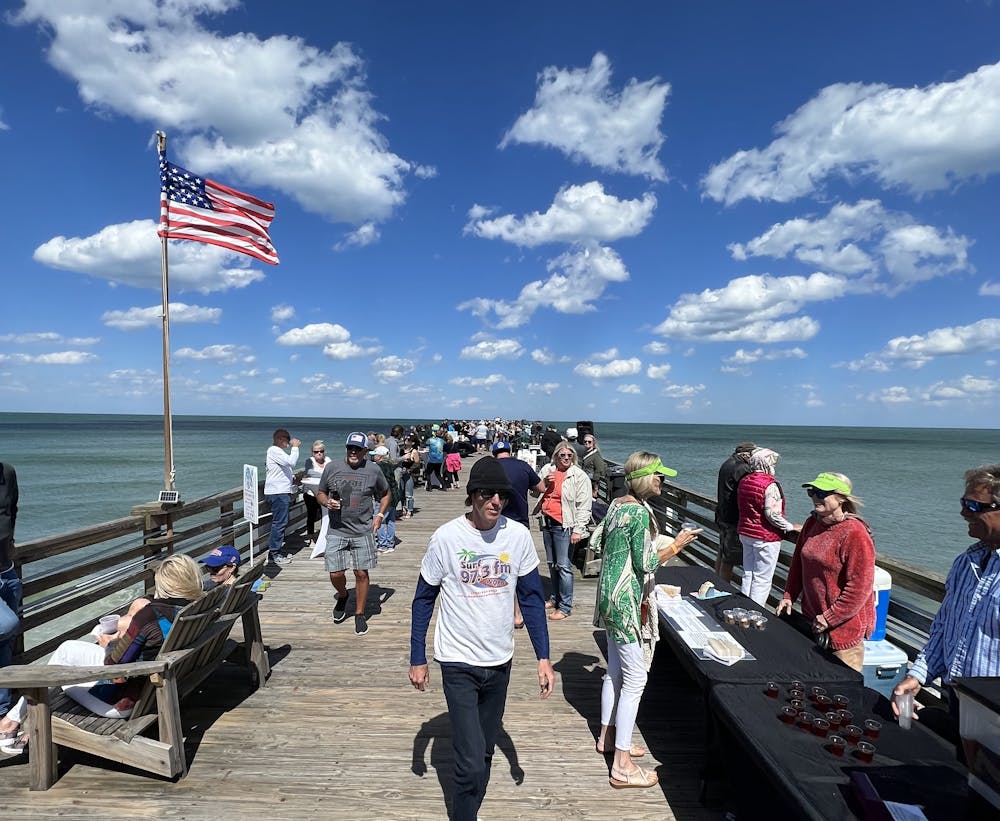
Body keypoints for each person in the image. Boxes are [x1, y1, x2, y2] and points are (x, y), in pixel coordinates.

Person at [408, 457, 554, 820]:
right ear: (472, 496)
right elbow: (423, 598)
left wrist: (543, 657)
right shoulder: (447, 537)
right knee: (470, 761)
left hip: (500, 661)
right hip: (457, 661)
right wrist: (417, 656)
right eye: (487, 494)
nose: (495, 502)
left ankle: (468, 804)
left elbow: (533, 599)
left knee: (485, 751)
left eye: (501, 495)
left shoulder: (518, 536)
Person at [0, 554, 204, 754]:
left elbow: (115, 668)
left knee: (59, 672)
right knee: (67, 650)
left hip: (121, 702)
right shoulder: (195, 609)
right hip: (154, 687)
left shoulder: (150, 615)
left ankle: (12, 722)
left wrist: (110, 642)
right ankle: (13, 719)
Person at [594, 451, 701, 788]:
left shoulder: (616, 504)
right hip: (626, 600)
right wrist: (677, 546)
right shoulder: (639, 513)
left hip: (607, 595)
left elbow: (598, 541)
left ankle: (608, 738)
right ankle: (621, 766)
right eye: (659, 476)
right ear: (644, 477)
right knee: (636, 679)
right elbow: (647, 565)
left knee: (614, 671)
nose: (662, 482)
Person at [892, 464, 1000, 728]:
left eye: (974, 506)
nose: (963, 512)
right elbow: (945, 628)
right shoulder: (966, 562)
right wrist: (918, 675)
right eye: (964, 502)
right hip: (959, 701)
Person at [777, 473, 875, 672]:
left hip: (843, 632)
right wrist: (789, 595)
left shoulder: (855, 533)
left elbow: (859, 588)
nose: (815, 497)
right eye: (812, 491)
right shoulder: (812, 524)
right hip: (812, 623)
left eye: (822, 492)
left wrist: (829, 618)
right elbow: (798, 564)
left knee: (841, 694)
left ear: (841, 498)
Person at [315, 432, 391, 636]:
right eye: (350, 448)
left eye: (358, 449)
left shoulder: (374, 470)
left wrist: (380, 516)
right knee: (335, 573)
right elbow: (320, 492)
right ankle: (342, 595)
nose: (353, 452)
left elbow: (385, 493)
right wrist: (325, 501)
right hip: (337, 529)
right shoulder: (332, 468)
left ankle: (359, 613)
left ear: (366, 451)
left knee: (361, 573)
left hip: (363, 530)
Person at [493, 440, 546, 629]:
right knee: (521, 568)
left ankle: (511, 611)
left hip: (496, 522)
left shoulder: (491, 467)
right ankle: (522, 611)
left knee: (502, 566)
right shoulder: (523, 466)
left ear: (494, 454)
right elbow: (541, 488)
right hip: (520, 524)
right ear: (510, 451)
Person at [536, 442, 592, 620]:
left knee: (564, 566)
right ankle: (554, 598)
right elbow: (533, 492)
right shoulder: (547, 469)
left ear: (574, 457)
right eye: (562, 455)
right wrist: (544, 483)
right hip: (547, 521)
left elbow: (584, 505)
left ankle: (565, 606)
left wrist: (578, 530)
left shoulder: (579, 476)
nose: (566, 458)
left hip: (565, 525)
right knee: (552, 563)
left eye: (569, 455)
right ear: (556, 457)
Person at [736, 447, 799, 605]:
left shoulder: (745, 480)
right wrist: (790, 526)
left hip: (745, 532)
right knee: (762, 579)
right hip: (765, 536)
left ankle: (743, 606)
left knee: (748, 574)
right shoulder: (769, 485)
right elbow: (772, 514)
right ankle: (755, 611)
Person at [714, 442, 756, 584]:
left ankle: (716, 583)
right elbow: (748, 490)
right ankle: (722, 589)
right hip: (732, 518)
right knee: (729, 559)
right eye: (752, 456)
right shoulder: (742, 468)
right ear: (745, 455)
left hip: (722, 515)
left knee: (722, 553)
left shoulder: (727, 463)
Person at [0, 461, 20, 729]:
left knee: (6, 641)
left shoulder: (7, 472)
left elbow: (12, 509)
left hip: (7, 571)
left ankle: (2, 708)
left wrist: (12, 541)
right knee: (8, 624)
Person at [264, 428, 300, 567]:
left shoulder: (277, 452)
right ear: (280, 439)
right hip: (278, 493)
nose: (288, 443)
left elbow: (282, 470)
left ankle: (275, 552)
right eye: (287, 440)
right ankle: (274, 554)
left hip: (280, 492)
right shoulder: (274, 450)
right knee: (279, 523)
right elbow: (291, 462)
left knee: (280, 523)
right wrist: (295, 448)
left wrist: (292, 479)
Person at [370, 446, 401, 554]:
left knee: (380, 520)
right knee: (391, 521)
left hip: (383, 497)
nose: (373, 456)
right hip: (394, 495)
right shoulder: (390, 465)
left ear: (379, 456)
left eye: (375, 454)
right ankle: (390, 543)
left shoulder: (377, 467)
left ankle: (383, 544)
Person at [302, 439, 330, 545]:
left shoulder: (328, 460)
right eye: (316, 452)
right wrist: (324, 476)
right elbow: (309, 472)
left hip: (324, 493)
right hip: (311, 493)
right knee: (312, 515)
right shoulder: (310, 461)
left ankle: (323, 537)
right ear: (312, 453)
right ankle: (311, 538)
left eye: (321, 451)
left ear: (324, 452)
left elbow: (332, 472)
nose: (319, 453)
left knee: (325, 515)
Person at [398, 436, 421, 519]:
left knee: (409, 493)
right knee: (401, 492)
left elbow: (417, 463)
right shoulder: (401, 450)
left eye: (408, 440)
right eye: (406, 440)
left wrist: (410, 469)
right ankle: (403, 508)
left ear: (413, 443)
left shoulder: (414, 451)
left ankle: (410, 510)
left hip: (408, 474)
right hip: (400, 473)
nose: (406, 441)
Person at [424, 424, 445, 491]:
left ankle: (429, 487)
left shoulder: (430, 440)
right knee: (438, 473)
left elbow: (425, 443)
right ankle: (444, 486)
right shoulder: (442, 441)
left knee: (428, 473)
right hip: (439, 459)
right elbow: (445, 444)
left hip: (432, 459)